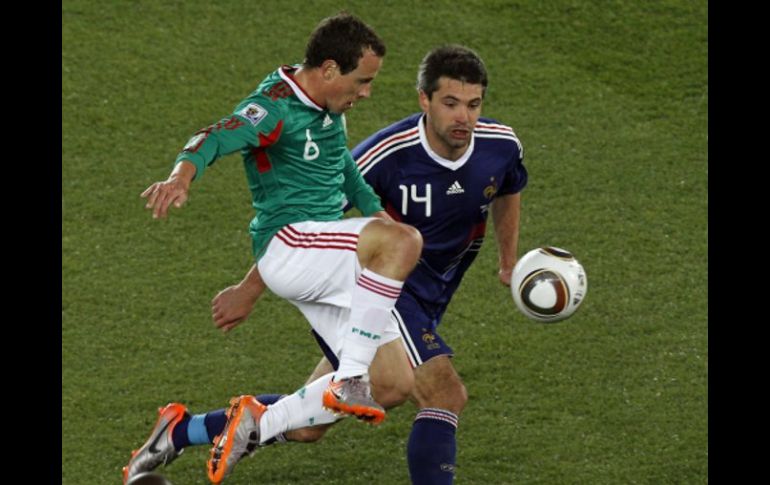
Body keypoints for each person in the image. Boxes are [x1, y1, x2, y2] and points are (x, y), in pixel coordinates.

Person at [173, 44, 528, 484]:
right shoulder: (385, 154)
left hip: (427, 296)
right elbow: (310, 229)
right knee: (444, 394)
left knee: (309, 423)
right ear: (424, 100)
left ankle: (182, 429)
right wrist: (251, 287)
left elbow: (508, 187)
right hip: (381, 292)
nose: (463, 118)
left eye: (473, 105)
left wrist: (508, 261)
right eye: (450, 104)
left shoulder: (501, 145)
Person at [124, 13, 423, 485]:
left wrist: (374, 212)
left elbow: (340, 164)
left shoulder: (327, 109)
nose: (366, 92)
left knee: (394, 385)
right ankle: (348, 379)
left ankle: (226, 426)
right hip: (291, 245)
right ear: (328, 69)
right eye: (361, 81)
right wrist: (182, 173)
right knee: (404, 243)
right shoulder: (275, 106)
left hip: (328, 256)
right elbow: (217, 134)